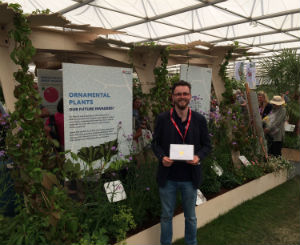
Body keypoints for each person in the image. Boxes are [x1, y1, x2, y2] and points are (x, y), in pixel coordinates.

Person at [152, 80, 211, 245]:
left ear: (190, 96)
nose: (182, 97)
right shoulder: (163, 118)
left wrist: (198, 157)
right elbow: (155, 144)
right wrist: (162, 157)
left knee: (190, 217)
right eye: (178, 94)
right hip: (168, 177)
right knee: (166, 216)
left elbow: (207, 145)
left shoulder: (199, 119)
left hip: (190, 178)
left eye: (185, 93)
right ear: (172, 97)